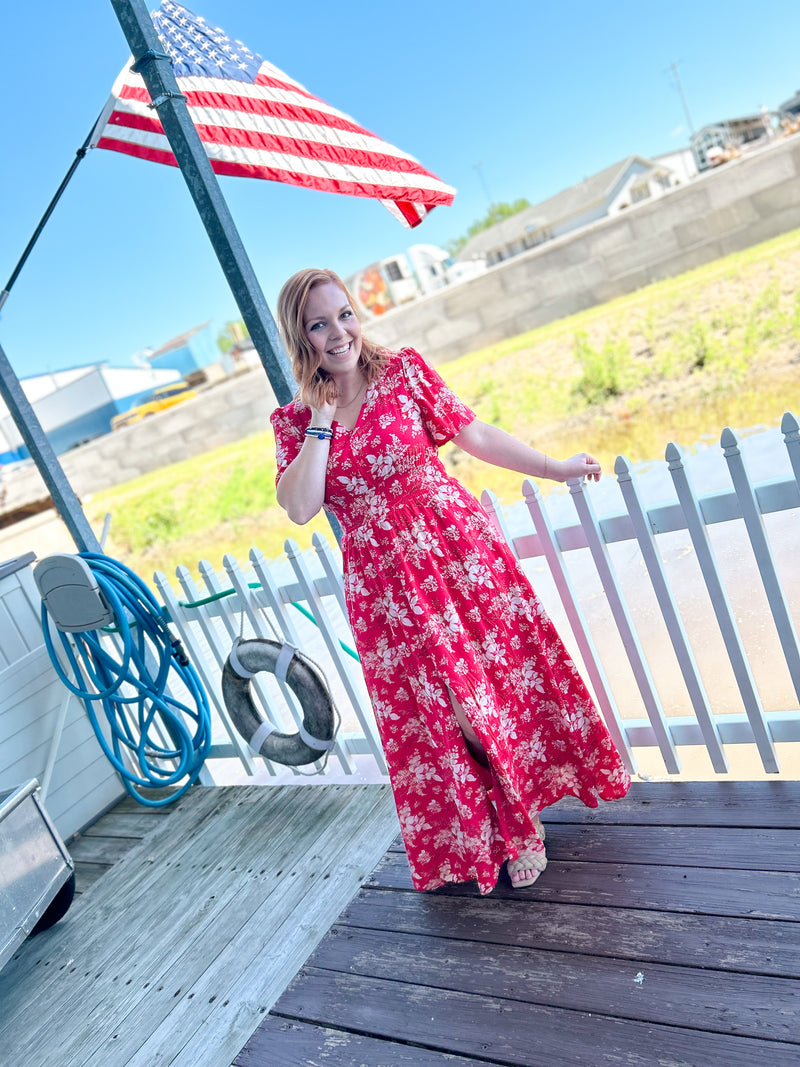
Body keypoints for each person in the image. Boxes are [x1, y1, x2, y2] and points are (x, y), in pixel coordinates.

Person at [271, 268, 631, 894]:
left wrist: (554, 468)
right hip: (385, 589)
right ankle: (495, 826)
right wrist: (322, 421)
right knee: (444, 713)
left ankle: (521, 826)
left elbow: (475, 435)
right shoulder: (296, 423)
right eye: (319, 324)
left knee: (485, 692)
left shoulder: (404, 370)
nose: (339, 334)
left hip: (455, 552)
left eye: (345, 315)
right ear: (300, 338)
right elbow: (300, 506)